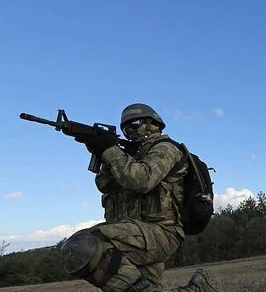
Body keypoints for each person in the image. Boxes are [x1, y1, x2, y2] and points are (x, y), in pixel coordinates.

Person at [58, 103, 218, 292]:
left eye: (134, 124)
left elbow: (142, 179)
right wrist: (104, 151)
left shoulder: (166, 149)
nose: (129, 131)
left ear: (152, 124)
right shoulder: (129, 157)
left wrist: (109, 150)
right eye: (125, 128)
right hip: (137, 233)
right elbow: (105, 185)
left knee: (82, 245)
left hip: (160, 232)